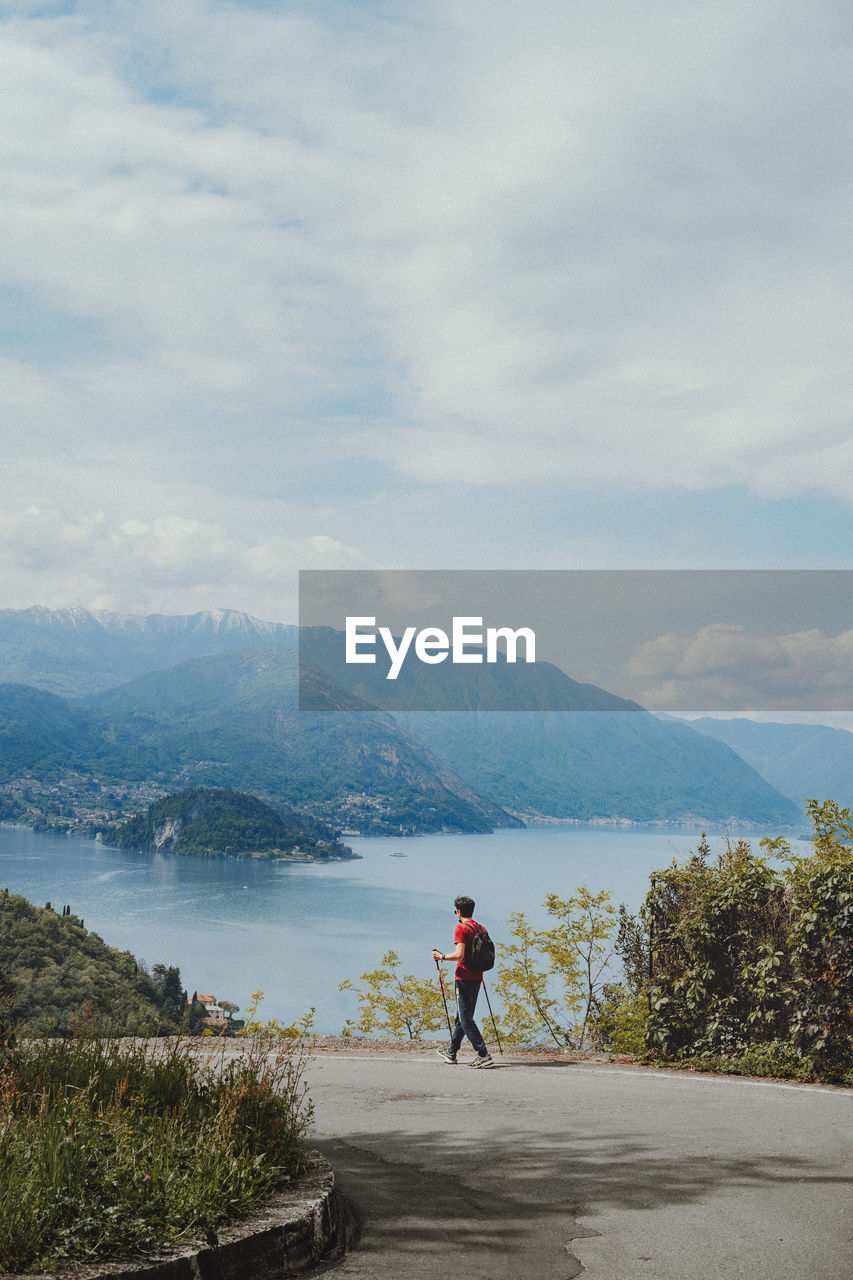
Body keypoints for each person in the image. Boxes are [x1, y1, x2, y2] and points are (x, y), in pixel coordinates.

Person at [432, 895, 494, 1068]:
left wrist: (441, 956)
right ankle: (451, 1052)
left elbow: (459, 955)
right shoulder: (481, 928)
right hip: (477, 977)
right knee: (462, 1016)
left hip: (464, 977)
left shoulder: (461, 928)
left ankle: (483, 1054)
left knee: (465, 1018)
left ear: (459, 912)